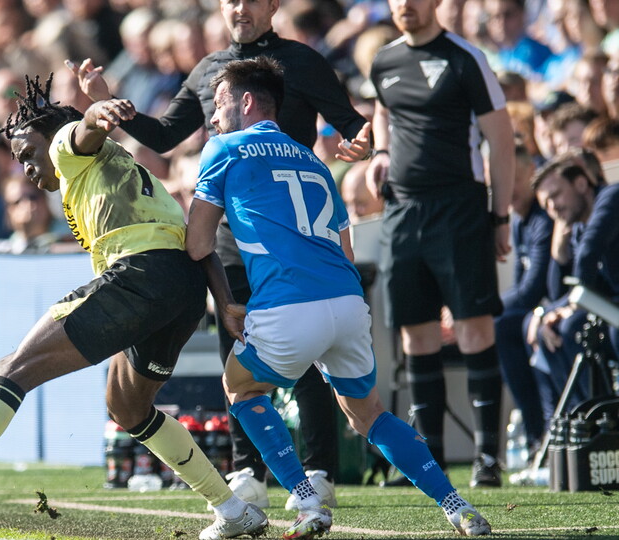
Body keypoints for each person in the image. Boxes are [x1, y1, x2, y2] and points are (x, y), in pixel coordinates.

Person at [0, 74, 269, 540]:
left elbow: (81, 127)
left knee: (13, 368)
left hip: (141, 275)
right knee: (127, 406)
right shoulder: (124, 170)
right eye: (20, 161)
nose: (27, 167)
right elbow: (197, 242)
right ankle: (232, 510)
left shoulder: (67, 150)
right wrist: (224, 301)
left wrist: (97, 111)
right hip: (183, 290)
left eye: (28, 153)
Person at [69, 0, 373, 509]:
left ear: (273, 5)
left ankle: (319, 469)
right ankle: (247, 469)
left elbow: (352, 123)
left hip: (292, 236)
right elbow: (166, 135)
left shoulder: (302, 62)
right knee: (236, 341)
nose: (239, 8)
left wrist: (364, 144)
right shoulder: (211, 69)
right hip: (231, 230)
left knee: (312, 351)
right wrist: (110, 103)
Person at [185, 56, 492, 538]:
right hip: (348, 303)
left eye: (219, 104)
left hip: (288, 302)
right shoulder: (315, 160)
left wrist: (224, 295)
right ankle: (457, 506)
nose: (214, 117)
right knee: (369, 413)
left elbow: (199, 243)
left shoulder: (224, 147)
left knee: (241, 388)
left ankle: (308, 502)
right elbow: (344, 247)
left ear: (246, 102)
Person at [367, 0, 516, 488]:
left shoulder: (465, 58)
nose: (405, 5)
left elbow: (500, 137)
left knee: (474, 332)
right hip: (403, 211)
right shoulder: (384, 59)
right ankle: (426, 461)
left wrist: (500, 216)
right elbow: (382, 111)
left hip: (460, 209)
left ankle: (487, 459)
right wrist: (382, 151)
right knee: (416, 336)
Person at [528, 151, 619, 416]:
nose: (552, 208)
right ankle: (586, 421)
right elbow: (559, 291)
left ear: (581, 184)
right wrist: (559, 247)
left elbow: (590, 251)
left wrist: (571, 305)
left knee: (582, 327)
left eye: (555, 195)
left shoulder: (611, 197)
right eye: (545, 205)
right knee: (554, 330)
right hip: (612, 309)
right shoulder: (577, 226)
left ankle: (603, 422)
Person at [494, 141, 552, 458]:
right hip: (536, 314)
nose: (510, 188)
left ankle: (538, 433)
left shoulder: (543, 217)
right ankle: (533, 435)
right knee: (501, 325)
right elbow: (520, 284)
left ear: (532, 172)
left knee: (501, 325)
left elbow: (531, 289)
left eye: (516, 177)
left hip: (555, 310)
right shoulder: (518, 220)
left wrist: (484, 308)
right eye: (502, 180)